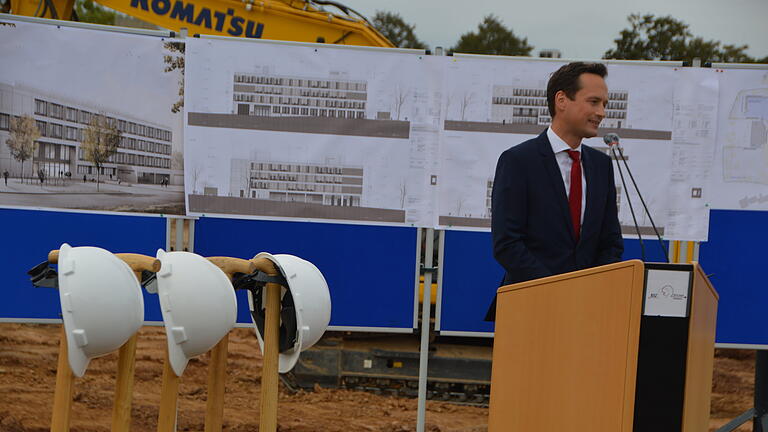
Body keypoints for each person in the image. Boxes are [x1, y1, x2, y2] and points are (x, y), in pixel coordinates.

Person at [486, 62, 624, 321]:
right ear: (561, 100)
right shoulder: (518, 161)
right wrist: (557, 290)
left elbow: (610, 242)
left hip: (587, 309)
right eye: (594, 102)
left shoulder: (601, 166)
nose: (602, 112)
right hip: (529, 305)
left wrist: (589, 289)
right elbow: (507, 243)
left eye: (604, 104)